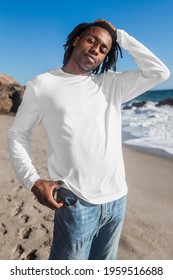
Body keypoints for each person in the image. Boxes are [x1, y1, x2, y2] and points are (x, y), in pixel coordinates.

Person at [7, 19, 170, 260]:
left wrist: (120, 35)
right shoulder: (43, 84)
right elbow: (18, 134)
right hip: (76, 201)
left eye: (104, 48)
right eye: (91, 40)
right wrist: (32, 180)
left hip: (117, 200)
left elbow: (160, 72)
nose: (96, 49)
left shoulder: (110, 84)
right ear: (76, 40)